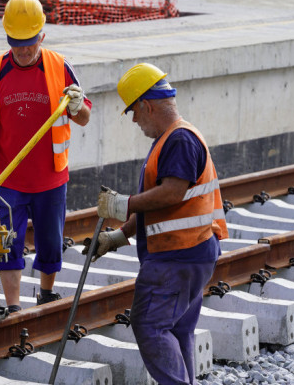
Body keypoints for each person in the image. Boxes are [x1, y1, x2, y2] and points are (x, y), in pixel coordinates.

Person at [0, 0, 91, 313]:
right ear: (7, 38)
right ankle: (13, 308)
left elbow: (84, 117)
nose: (24, 50)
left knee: (51, 243)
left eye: (29, 43)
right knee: (7, 246)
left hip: (50, 178)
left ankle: (46, 293)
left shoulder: (58, 66)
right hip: (7, 180)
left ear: (42, 35)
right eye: (17, 43)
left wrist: (78, 105)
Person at [92, 63, 228, 384]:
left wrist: (120, 204)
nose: (135, 121)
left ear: (146, 105)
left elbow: (171, 194)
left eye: (133, 113)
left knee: (150, 325)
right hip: (193, 252)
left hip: (178, 256)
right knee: (178, 328)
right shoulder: (173, 138)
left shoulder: (178, 141)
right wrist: (119, 236)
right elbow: (158, 205)